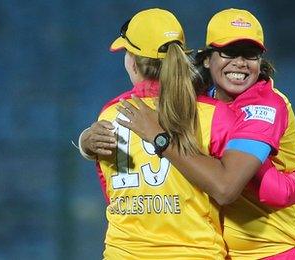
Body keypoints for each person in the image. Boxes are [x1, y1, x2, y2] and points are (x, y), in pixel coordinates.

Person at [113, 9, 295, 259]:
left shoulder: (263, 108)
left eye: (250, 54)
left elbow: (227, 187)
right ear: (208, 59)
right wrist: (87, 140)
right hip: (222, 252)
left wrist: (160, 139)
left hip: (273, 249)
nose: (240, 62)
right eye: (229, 52)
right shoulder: (199, 101)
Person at [77, 8, 240, 258]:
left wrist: (85, 142)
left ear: (132, 61)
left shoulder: (111, 113)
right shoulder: (214, 115)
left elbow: (111, 193)